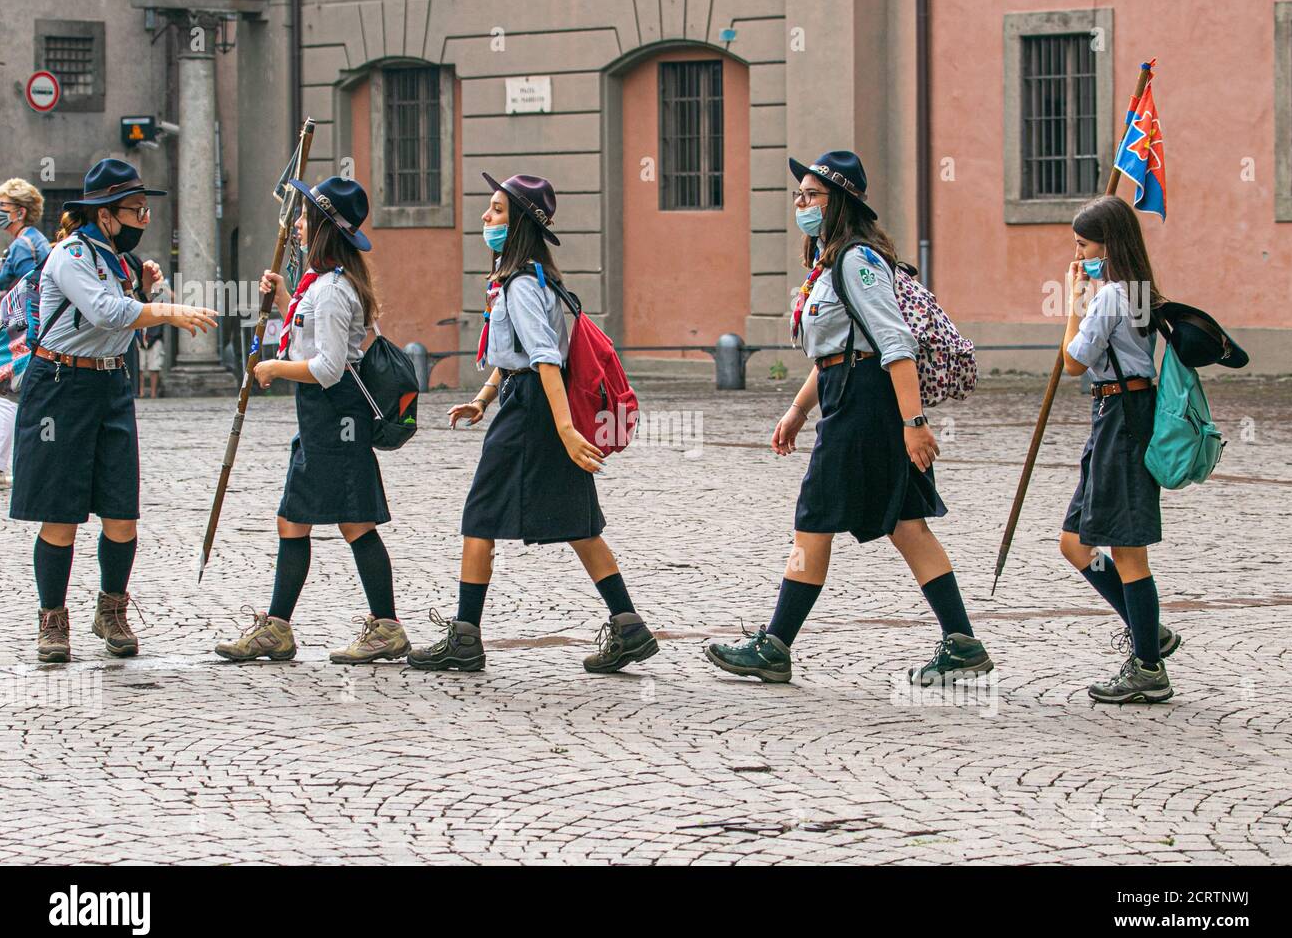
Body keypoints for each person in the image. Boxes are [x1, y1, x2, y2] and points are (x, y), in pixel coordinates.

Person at [705, 150, 992, 686]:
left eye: (812, 196)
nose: (802, 205)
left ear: (842, 203)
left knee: (814, 516)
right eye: (799, 196)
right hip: (848, 391)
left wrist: (914, 422)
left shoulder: (856, 261)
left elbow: (891, 342)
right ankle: (962, 642)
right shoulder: (830, 263)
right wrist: (796, 410)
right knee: (906, 523)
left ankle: (775, 645)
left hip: (866, 404)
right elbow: (836, 354)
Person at [407, 173, 657, 675]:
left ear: (518, 222)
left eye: (496, 210)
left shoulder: (521, 284)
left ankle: (464, 637)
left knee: (479, 517)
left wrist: (566, 431)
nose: (485, 217)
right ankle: (629, 628)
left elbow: (543, 359)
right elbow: (516, 353)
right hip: (535, 402)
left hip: (534, 409)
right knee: (579, 523)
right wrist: (482, 399)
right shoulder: (538, 279)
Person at [9, 158, 218, 662]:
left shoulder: (117, 261)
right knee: (60, 515)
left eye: (146, 211)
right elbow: (106, 312)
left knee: (121, 513)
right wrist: (163, 308)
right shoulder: (71, 254)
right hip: (60, 384)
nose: (144, 220)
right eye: (137, 210)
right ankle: (52, 619)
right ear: (104, 214)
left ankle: (110, 609)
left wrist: (146, 294)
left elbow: (129, 329)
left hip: (109, 383)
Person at [214, 176, 412, 665]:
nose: (297, 225)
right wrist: (284, 297)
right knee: (302, 519)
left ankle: (380, 627)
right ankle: (280, 628)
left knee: (349, 522)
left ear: (325, 228)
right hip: (323, 417)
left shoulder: (330, 291)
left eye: (305, 217)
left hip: (334, 414)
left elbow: (325, 367)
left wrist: (272, 368)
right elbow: (314, 340)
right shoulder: (322, 287)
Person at [1059, 195, 1181, 703]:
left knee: (1128, 550)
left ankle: (1149, 668)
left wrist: (1074, 303)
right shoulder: (1135, 290)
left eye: (1084, 244)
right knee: (1074, 543)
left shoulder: (1113, 296)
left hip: (1125, 421)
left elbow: (1073, 362)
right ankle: (1148, 629)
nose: (1078, 253)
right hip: (1111, 415)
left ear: (1107, 246)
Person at [0, 179, 53, 490]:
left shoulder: (24, 244)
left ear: (19, 212)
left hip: (21, 333)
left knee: (7, 391)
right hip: (27, 331)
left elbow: (24, 290)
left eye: (3, 207)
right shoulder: (30, 240)